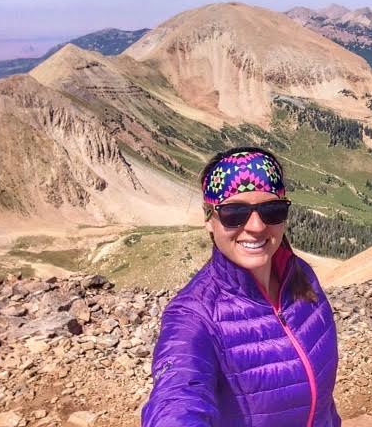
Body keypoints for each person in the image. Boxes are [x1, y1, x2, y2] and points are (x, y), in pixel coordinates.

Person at [141, 146, 341, 426]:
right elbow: (177, 396)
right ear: (210, 220)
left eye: (272, 210)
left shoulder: (302, 276)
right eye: (234, 214)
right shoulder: (193, 315)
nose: (257, 226)